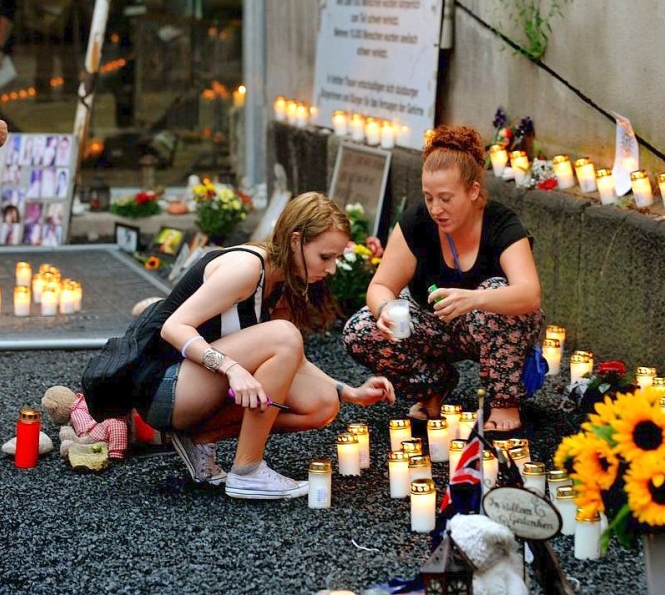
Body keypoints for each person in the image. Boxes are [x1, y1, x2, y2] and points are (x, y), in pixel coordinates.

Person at [124, 192, 395, 499]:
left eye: (336, 259)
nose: (331, 269)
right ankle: (248, 471)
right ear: (295, 241)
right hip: (163, 386)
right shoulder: (247, 267)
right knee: (284, 334)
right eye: (324, 257)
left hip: (193, 387)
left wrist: (350, 393)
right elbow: (174, 327)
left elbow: (292, 361)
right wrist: (231, 367)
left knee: (322, 404)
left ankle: (200, 438)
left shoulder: (282, 282)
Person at [342, 125, 544, 432]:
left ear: (473, 191)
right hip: (432, 324)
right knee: (361, 329)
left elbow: (529, 293)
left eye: (446, 198)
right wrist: (384, 310)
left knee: (497, 292)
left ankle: (504, 402)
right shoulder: (416, 222)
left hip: (488, 327)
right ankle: (432, 387)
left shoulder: (502, 224)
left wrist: (475, 299)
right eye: (429, 197)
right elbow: (381, 286)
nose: (436, 208)